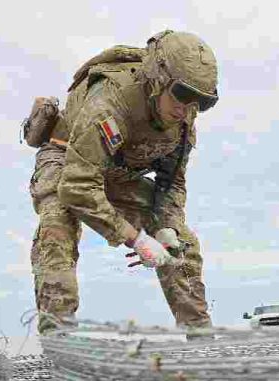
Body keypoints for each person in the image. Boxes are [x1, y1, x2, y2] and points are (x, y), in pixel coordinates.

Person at [27, 31, 218, 334]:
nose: (188, 109)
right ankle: (59, 339)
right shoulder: (110, 103)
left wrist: (166, 228)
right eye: (181, 94)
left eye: (203, 102)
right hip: (66, 158)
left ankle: (200, 337)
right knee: (56, 227)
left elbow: (172, 184)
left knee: (181, 243)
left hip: (117, 171)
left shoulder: (183, 122)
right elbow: (77, 187)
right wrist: (137, 240)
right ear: (158, 79)